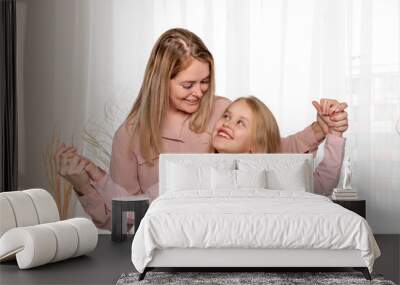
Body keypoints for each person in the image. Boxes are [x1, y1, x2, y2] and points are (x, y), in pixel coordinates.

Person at [55, 28, 348, 229]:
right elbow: (122, 217)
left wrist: (323, 129)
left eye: (205, 81)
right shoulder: (130, 136)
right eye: (187, 84)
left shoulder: (223, 113)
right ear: (161, 82)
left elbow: (271, 151)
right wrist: (86, 183)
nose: (199, 92)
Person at [211, 96, 348, 195]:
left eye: (241, 122)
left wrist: (333, 133)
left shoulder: (272, 178)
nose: (227, 123)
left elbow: (321, 186)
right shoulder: (201, 165)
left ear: (257, 146)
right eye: (226, 116)